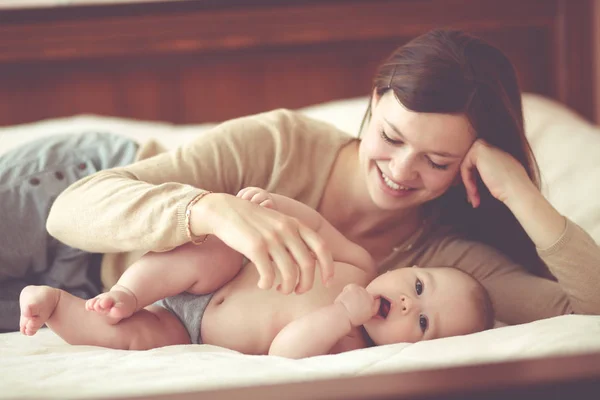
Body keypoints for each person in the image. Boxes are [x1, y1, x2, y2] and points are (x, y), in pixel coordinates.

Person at [2, 28, 600, 332]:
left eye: (437, 162)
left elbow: (586, 308)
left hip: (99, 306)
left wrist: (518, 189)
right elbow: (71, 210)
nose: (400, 170)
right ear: (372, 104)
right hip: (79, 190)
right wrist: (210, 211)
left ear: (471, 163)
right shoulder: (281, 144)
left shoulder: (444, 265)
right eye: (391, 138)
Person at [20, 188, 493, 357]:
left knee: (132, 339)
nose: (410, 303)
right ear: (408, 266)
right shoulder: (361, 264)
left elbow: (285, 352)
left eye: (424, 322)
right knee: (216, 251)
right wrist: (274, 208)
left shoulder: (347, 347)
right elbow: (313, 227)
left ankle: (56, 305)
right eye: (417, 286)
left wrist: (341, 318)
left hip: (190, 334)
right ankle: (127, 290)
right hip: (218, 277)